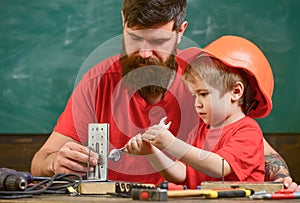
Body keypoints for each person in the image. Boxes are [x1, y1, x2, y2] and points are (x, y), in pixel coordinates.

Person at [31, 0, 299, 190]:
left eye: (158, 42)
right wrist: (55, 161)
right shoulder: (96, 83)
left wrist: (280, 181)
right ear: (124, 22)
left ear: (180, 32)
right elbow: (39, 162)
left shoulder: (202, 79)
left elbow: (257, 151)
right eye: (135, 38)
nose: (145, 53)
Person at [125, 35, 270, 188]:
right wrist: (152, 152)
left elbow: (219, 167)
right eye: (194, 96)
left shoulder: (248, 131)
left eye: (203, 94)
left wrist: (171, 143)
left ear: (236, 91)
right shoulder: (199, 130)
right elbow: (181, 174)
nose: (197, 104)